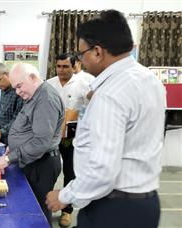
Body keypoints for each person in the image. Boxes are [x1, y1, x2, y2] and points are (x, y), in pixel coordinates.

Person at [46, 10, 166, 228]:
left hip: (113, 209)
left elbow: (103, 169)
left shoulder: (111, 93)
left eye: (82, 55)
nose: (81, 61)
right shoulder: (149, 79)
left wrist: (65, 195)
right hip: (146, 202)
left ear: (98, 52)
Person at [0, 62, 64, 226]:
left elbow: (41, 142)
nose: (17, 92)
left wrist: (9, 158)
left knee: (37, 212)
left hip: (42, 164)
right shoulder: (35, 94)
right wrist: (13, 145)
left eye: (19, 86)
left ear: (33, 78)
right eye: (15, 88)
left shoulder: (45, 99)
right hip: (34, 161)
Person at [46, 52, 90, 227]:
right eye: (58, 66)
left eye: (65, 66)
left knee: (71, 173)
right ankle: (47, 206)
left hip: (72, 137)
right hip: (50, 136)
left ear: (74, 67)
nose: (61, 70)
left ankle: (67, 211)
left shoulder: (83, 84)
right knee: (48, 171)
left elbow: (91, 110)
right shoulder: (48, 84)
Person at [0, 63, 24, 145]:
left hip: (15, 139)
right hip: (3, 139)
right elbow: (2, 115)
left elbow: (18, 119)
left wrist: (1, 132)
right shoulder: (3, 90)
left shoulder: (19, 91)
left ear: (7, 74)